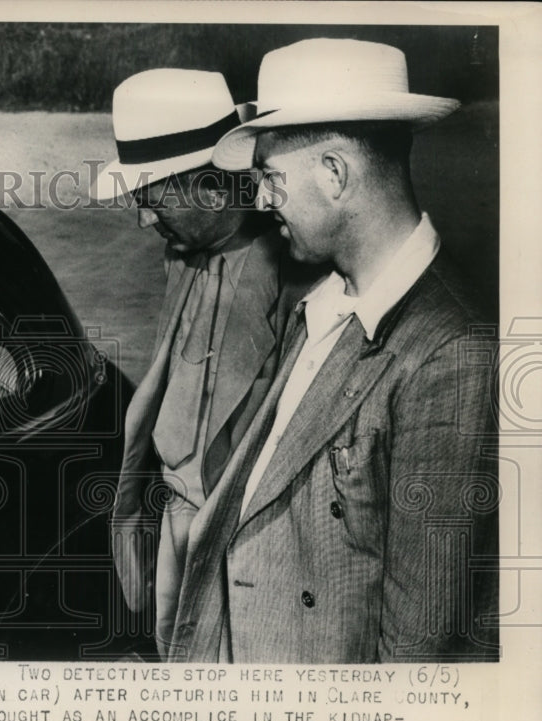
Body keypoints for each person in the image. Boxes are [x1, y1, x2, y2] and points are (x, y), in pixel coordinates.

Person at [169, 38, 498, 662]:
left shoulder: (452, 353)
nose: (262, 202)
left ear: (335, 174)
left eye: (271, 177)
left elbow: (417, 652)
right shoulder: (324, 305)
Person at [91, 69, 314, 654]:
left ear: (214, 192)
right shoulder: (183, 252)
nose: (143, 220)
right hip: (175, 518)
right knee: (175, 655)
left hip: (246, 534)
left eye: (150, 201)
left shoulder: (298, 270)